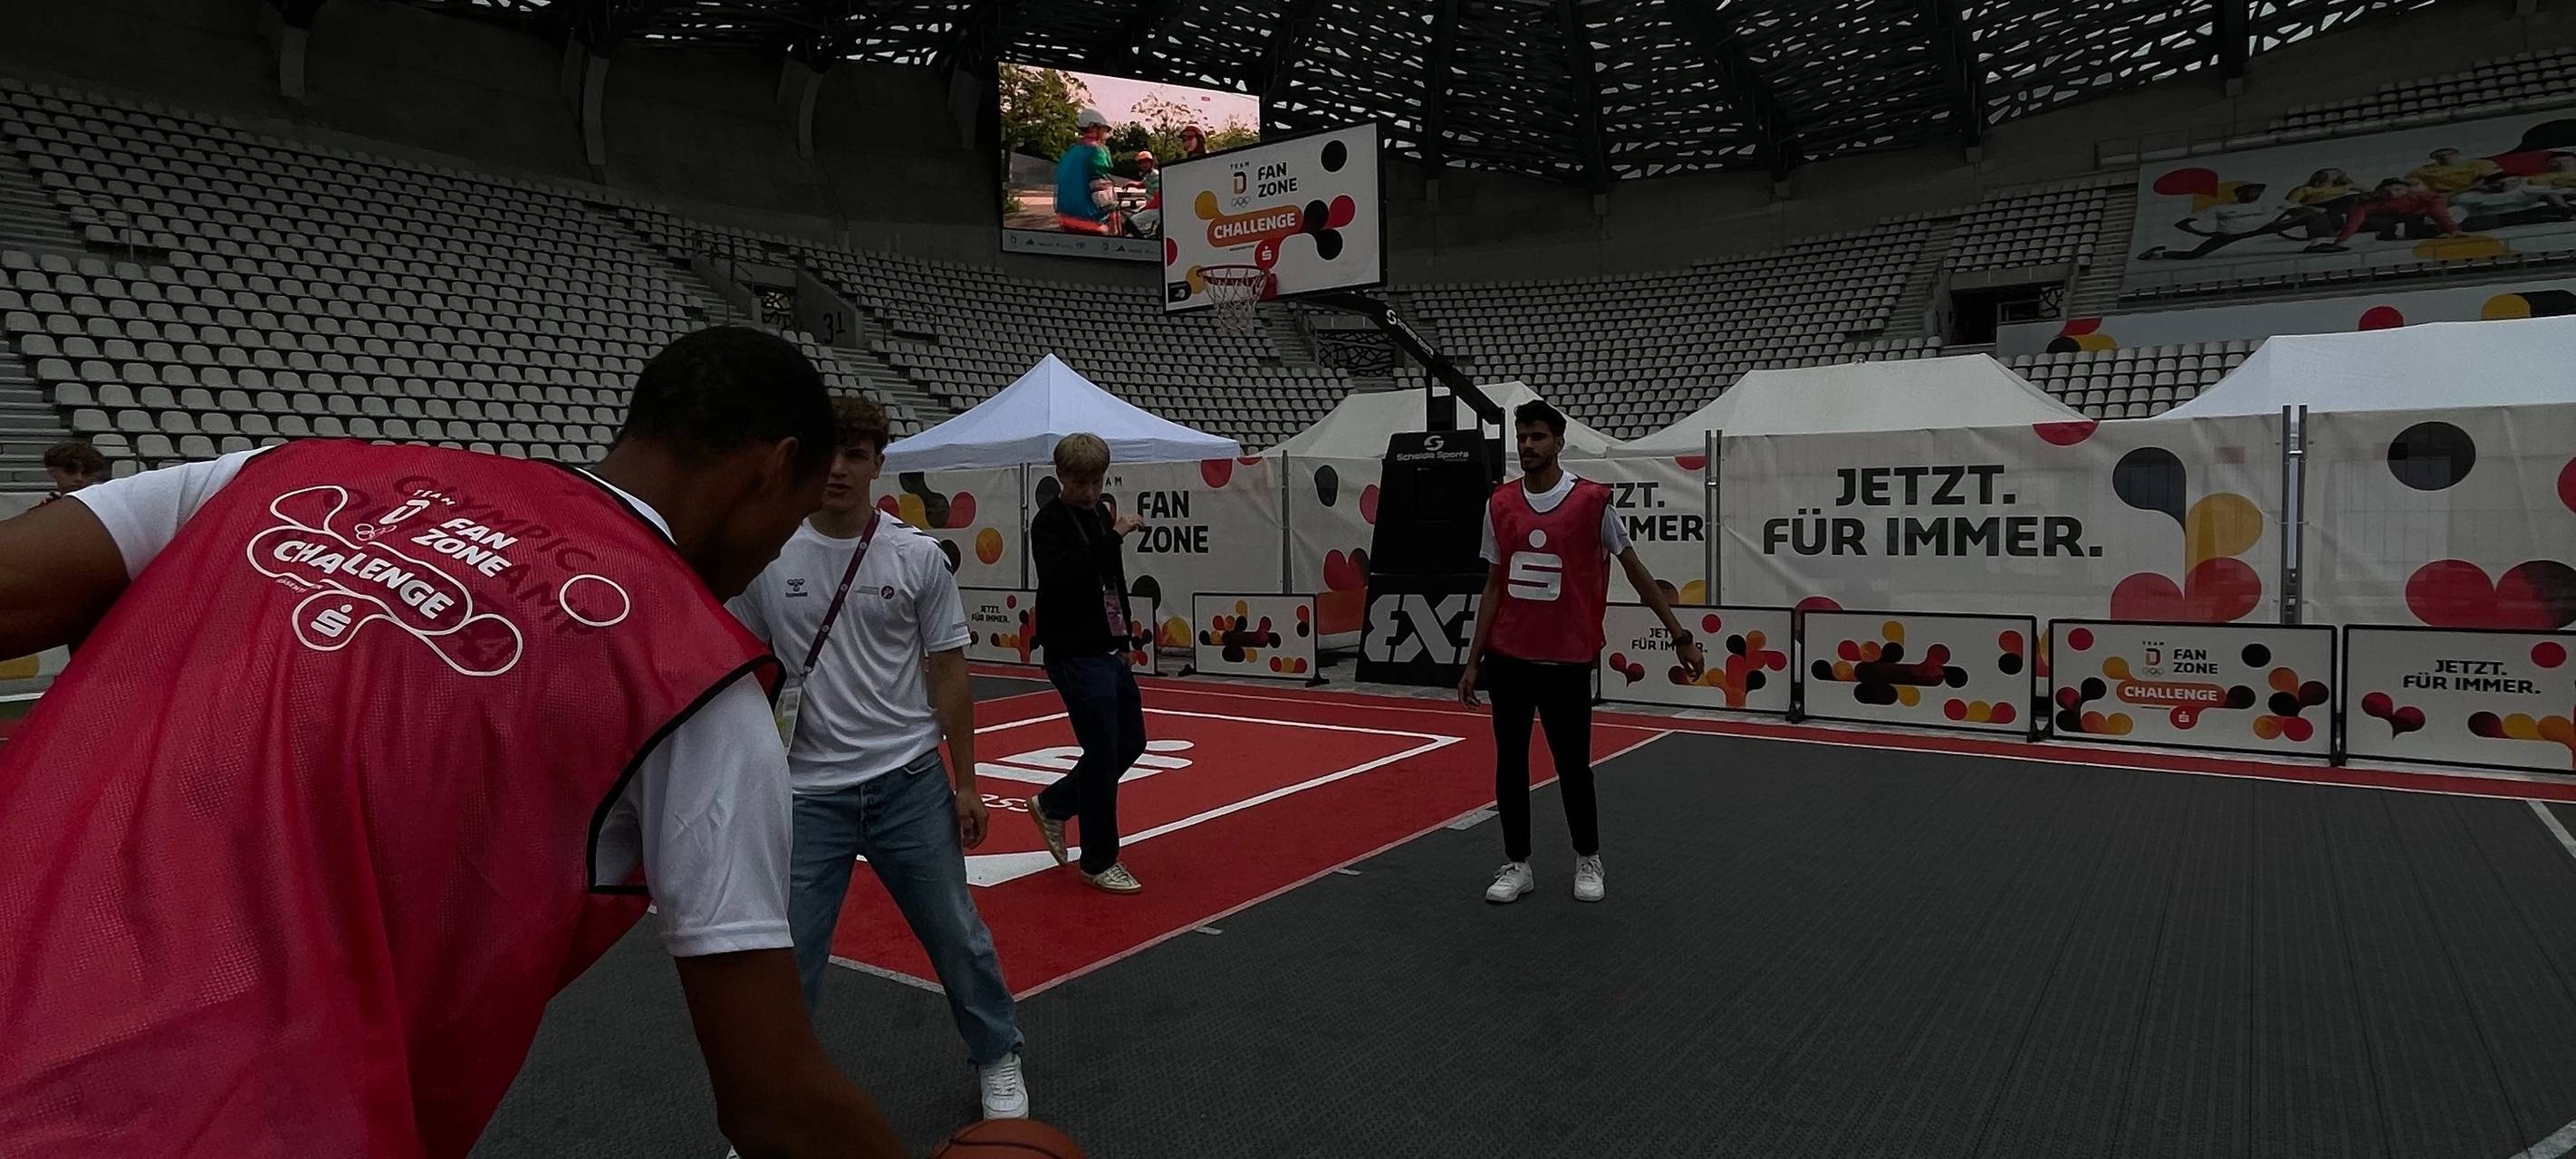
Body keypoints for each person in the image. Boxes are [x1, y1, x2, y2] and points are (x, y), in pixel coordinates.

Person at [0, 326, 909, 1159]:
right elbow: (773, 1102)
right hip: (241, 1120)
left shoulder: (281, 473)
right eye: (788, 521)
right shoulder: (697, 682)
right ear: (773, 468)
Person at [726, 397, 1029, 1121]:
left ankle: (997, 1054)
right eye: (826, 454)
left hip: (908, 781)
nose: (838, 470)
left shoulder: (916, 556)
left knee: (957, 935)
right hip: (806, 791)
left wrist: (969, 784)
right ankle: (771, 1108)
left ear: (876, 465)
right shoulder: (770, 556)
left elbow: (949, 672)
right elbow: (742, 668)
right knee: (786, 960)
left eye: (855, 455)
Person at [1457, 400, 1706, 905]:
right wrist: (1473, 658)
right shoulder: (1499, 503)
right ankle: (1517, 863)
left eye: (1538, 437)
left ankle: (1587, 857)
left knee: (1572, 767)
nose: (1528, 445)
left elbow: (1635, 569)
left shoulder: (1593, 502)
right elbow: (1493, 585)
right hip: (1510, 658)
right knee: (1510, 765)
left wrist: (1679, 634)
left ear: (1558, 443)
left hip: (1567, 661)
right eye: (1522, 437)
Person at [1026, 433, 1149, 895]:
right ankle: (1098, 861)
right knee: (1101, 756)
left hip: (1106, 647)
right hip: (1072, 652)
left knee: (1131, 743)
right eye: (1082, 483)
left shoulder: (1099, 513)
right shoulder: (1048, 522)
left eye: (1097, 482)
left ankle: (1055, 804)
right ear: (1062, 478)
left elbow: (1110, 577)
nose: (1092, 492)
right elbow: (1063, 578)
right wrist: (1112, 536)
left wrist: (1125, 636)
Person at [2138, 183, 2299, 260]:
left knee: (2311, 216)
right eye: (2249, 191)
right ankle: (2158, 253)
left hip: (2265, 227)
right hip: (2227, 235)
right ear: (2239, 194)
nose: (2253, 194)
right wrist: (2202, 233)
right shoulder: (2220, 208)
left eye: (2257, 191)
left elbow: (2295, 207)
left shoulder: (2269, 202)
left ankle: (2319, 241)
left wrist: (2286, 219)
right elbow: (2182, 223)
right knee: (2194, 254)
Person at [2307, 177, 2465, 251]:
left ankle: (2438, 231)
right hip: (2389, 219)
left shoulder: (2422, 196)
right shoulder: (2369, 203)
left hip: (2419, 215)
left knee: (2415, 230)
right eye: (2387, 192)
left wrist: (2452, 229)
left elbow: (2438, 211)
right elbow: (2354, 220)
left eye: (2397, 190)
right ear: (2380, 192)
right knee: (2381, 226)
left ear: (2407, 190)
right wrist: (2342, 240)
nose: (2393, 194)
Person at [1053, 108, 1126, 236]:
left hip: (1066, 220)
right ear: (1093, 127)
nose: (1105, 134)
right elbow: (1101, 191)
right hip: (1091, 223)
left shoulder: (1068, 153)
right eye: (1104, 129)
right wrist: (1114, 222)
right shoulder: (1097, 150)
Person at [2446, 172, 2572, 230]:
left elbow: (2559, 191)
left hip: (2527, 213)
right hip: (2494, 218)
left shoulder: (2525, 188)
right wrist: (2474, 187)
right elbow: (2446, 202)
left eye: (2513, 182)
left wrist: (2563, 206)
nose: (2508, 186)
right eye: (2502, 183)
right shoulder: (2471, 196)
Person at [2282, 168, 2364, 239]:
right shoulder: (2306, 190)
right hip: (2318, 209)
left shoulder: (2345, 188)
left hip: (2337, 209)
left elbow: (2367, 193)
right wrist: (2311, 209)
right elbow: (2289, 205)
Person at [2408, 147, 2500, 196]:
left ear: (2457, 154)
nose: (2445, 157)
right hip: (2441, 196)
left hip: (2475, 191)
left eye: (2449, 154)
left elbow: (2491, 178)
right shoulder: (2423, 171)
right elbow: (2411, 185)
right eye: (2439, 155)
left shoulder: (2478, 164)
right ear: (2434, 158)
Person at [38, 438, 104, 503]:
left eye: (87, 472)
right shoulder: (42, 512)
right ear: (52, 471)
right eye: (70, 470)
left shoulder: (109, 509)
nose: (79, 478)